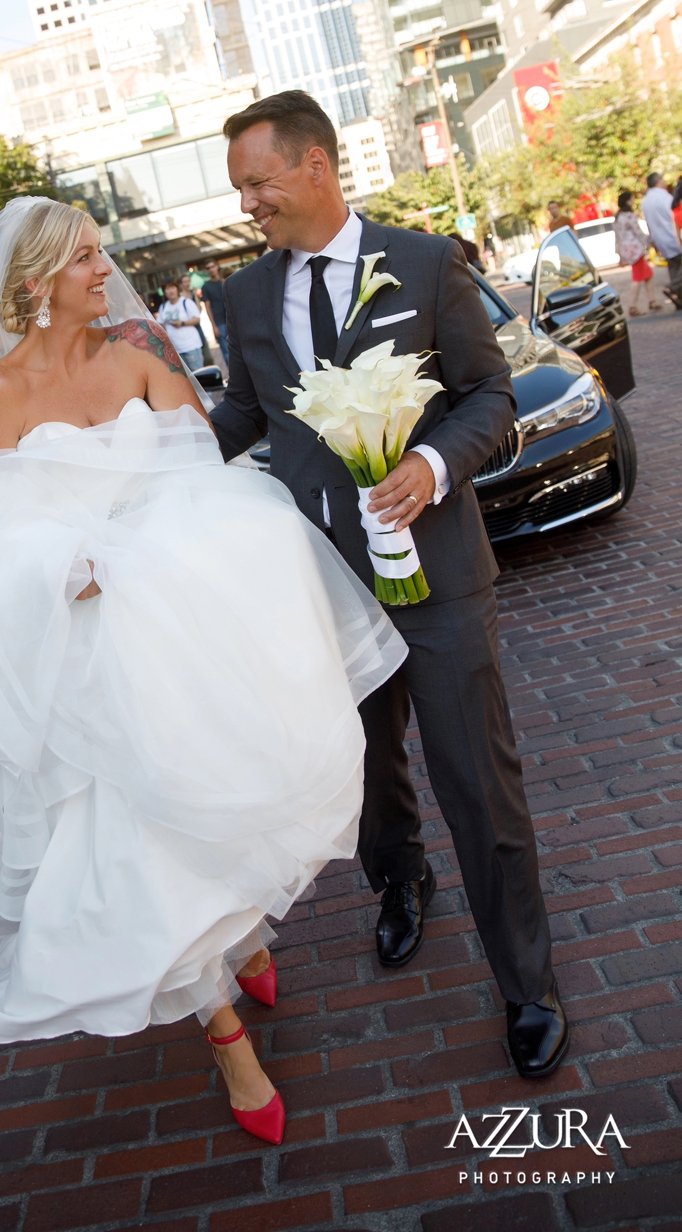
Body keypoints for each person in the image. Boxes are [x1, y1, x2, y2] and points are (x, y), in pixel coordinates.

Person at [0, 197, 406, 1146]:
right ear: (39, 280)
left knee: (209, 794)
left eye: (101, 252)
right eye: (85, 258)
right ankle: (225, 1036)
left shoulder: (142, 355)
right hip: (77, 644)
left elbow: (206, 478)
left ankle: (240, 932)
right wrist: (64, 566)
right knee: (132, 835)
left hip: (172, 619)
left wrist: (152, 553)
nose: (106, 269)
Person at [209, 90, 567, 1080]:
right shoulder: (240, 298)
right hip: (321, 580)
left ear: (316, 164)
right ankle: (398, 881)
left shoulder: (422, 261)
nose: (247, 203)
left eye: (257, 181)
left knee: (476, 780)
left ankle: (526, 983)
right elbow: (243, 416)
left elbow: (490, 392)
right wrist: (140, 463)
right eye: (239, 187)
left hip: (440, 574)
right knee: (366, 763)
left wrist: (436, 464)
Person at [614, 190, 660, 316]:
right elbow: (637, 232)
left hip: (627, 249)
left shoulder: (618, 217)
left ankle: (652, 301)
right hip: (635, 249)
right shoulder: (630, 215)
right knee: (637, 277)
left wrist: (619, 254)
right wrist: (650, 241)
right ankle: (633, 306)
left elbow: (617, 237)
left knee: (648, 274)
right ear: (628, 201)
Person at [642, 172, 682, 310]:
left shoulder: (645, 200)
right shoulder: (664, 197)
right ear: (659, 181)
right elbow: (674, 217)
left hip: (660, 240)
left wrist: (653, 241)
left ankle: (679, 299)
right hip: (673, 237)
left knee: (673, 268)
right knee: (679, 267)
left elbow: (648, 224)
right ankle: (673, 288)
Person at [157, 279, 205, 375]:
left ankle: (206, 391)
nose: (170, 291)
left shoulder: (186, 302)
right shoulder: (163, 307)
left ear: (177, 288)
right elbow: (160, 325)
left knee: (199, 376)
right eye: (167, 289)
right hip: (175, 349)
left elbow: (197, 319)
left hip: (190, 345)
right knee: (185, 378)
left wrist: (182, 323)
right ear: (164, 292)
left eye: (172, 287)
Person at [200, 259, 230, 366]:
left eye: (212, 266)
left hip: (233, 319)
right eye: (208, 268)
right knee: (226, 352)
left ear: (217, 266)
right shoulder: (206, 286)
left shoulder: (226, 280)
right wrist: (214, 326)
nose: (211, 269)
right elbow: (208, 308)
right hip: (219, 322)